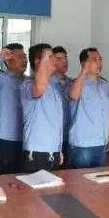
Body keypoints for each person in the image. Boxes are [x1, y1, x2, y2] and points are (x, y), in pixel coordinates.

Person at [20, 44, 64, 172]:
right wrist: (44, 60)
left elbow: (55, 123)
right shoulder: (28, 84)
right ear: (38, 61)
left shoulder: (53, 88)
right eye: (50, 57)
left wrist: (58, 149)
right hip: (36, 152)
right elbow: (39, 88)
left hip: (53, 151)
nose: (54, 60)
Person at [0, 43, 28, 174]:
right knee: (4, 178)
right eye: (20, 57)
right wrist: (0, 57)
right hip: (6, 140)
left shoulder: (29, 82)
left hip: (27, 139)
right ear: (9, 61)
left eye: (25, 56)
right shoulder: (1, 79)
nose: (25, 60)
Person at [68, 47, 109, 168]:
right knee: (81, 178)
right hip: (83, 143)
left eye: (100, 59)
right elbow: (73, 95)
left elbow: (107, 111)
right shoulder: (76, 83)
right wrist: (84, 71)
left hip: (101, 141)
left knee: (98, 178)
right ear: (84, 63)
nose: (99, 63)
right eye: (94, 60)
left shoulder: (104, 84)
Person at [52, 46, 73, 166]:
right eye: (59, 59)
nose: (64, 61)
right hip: (53, 137)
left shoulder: (73, 83)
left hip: (71, 137)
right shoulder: (47, 85)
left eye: (65, 58)